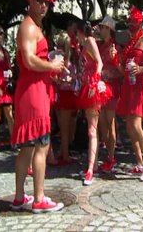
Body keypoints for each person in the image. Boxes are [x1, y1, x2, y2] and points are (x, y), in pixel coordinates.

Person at [10, 0, 65, 213]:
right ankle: (39, 198)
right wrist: (52, 65)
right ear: (30, 0)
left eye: (47, 1)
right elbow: (30, 60)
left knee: (28, 147)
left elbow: (33, 63)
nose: (44, 5)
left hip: (35, 91)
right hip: (32, 94)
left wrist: (52, 71)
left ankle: (21, 197)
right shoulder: (29, 27)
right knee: (41, 146)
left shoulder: (31, 26)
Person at [116, 6, 143, 181]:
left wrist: (142, 68)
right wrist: (117, 56)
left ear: (140, 23)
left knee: (135, 125)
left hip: (140, 86)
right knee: (128, 126)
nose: (131, 24)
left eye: (134, 22)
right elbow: (122, 70)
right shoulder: (130, 42)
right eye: (129, 22)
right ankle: (140, 162)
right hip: (128, 85)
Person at [76, 21, 112, 185]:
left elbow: (99, 63)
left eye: (77, 33)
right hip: (87, 87)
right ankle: (94, 164)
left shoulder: (89, 41)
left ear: (80, 32)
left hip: (92, 89)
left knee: (92, 130)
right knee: (93, 129)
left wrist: (94, 82)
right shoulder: (86, 44)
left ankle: (91, 169)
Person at [53, 19, 80, 165]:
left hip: (64, 95)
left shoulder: (63, 61)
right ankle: (64, 155)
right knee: (65, 129)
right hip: (65, 96)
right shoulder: (65, 62)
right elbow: (58, 79)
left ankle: (63, 153)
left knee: (66, 128)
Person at [97, 15, 121, 173]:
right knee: (103, 124)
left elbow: (121, 71)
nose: (100, 29)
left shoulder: (115, 46)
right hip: (101, 87)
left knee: (110, 122)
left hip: (112, 88)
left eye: (102, 27)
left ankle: (111, 157)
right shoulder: (99, 45)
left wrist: (115, 60)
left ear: (109, 30)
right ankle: (108, 156)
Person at [0, 24, 14, 153]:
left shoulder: (5, 51)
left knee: (10, 115)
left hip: (5, 87)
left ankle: (14, 141)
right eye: (1, 33)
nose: (3, 36)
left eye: (3, 33)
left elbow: (9, 68)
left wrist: (11, 73)